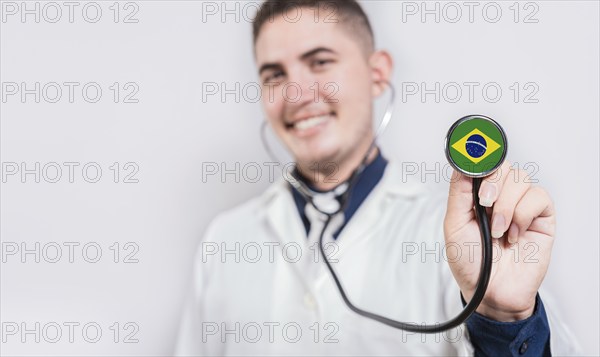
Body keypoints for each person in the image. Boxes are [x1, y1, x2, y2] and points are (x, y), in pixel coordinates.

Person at [175, 1, 579, 355]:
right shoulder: (225, 240)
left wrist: (504, 319)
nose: (296, 94)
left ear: (377, 73)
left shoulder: (472, 234)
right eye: (274, 75)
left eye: (319, 62)